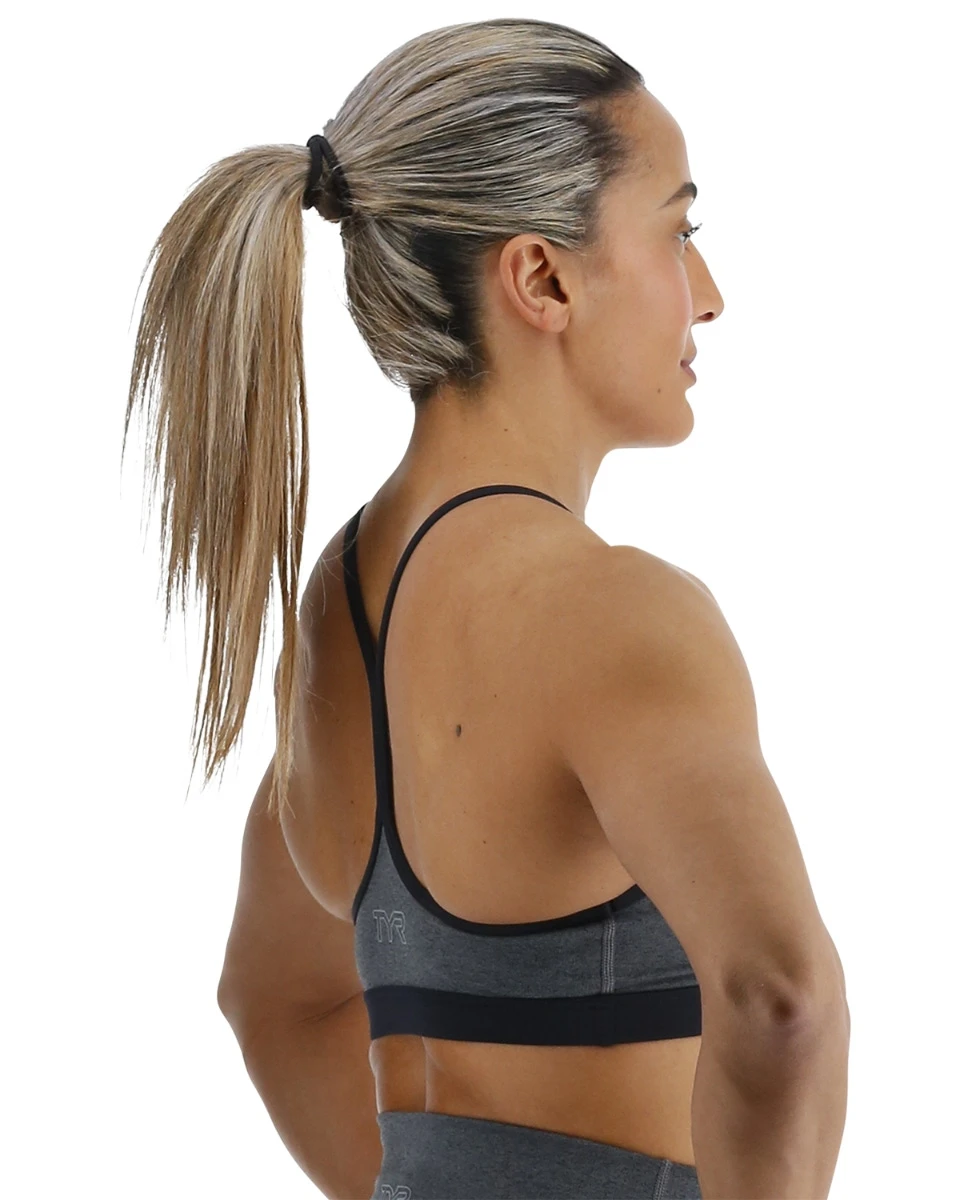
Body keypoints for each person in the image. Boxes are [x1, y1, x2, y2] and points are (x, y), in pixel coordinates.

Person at [124, 17, 850, 1199]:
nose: (709, 296)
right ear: (542, 279)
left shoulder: (338, 619)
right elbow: (781, 998)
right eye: (679, 231)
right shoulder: (613, 614)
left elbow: (271, 996)